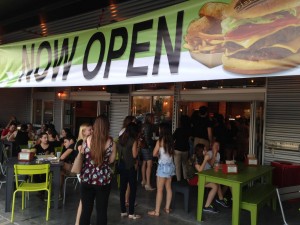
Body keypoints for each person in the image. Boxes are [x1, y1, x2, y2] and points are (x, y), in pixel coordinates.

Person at [79, 115, 116, 225]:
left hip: (87, 178)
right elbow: (111, 160)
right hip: (103, 179)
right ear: (107, 127)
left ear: (95, 126)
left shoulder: (87, 140)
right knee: (102, 211)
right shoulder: (112, 143)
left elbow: (82, 155)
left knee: (86, 211)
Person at [148, 123, 175, 216]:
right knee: (168, 188)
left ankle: (157, 211)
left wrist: (159, 155)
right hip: (170, 167)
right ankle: (167, 208)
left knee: (159, 190)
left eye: (159, 129)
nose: (158, 130)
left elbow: (154, 153)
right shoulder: (171, 141)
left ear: (162, 130)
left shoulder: (160, 141)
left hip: (162, 168)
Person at [186, 144, 219, 213]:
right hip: (192, 179)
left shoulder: (201, 156)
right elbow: (200, 170)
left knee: (215, 186)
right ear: (200, 151)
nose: (206, 151)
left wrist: (211, 156)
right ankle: (208, 206)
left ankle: (207, 206)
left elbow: (211, 165)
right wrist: (205, 160)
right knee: (215, 184)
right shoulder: (194, 157)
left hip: (199, 177)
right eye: (204, 150)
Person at [118, 122, 140, 219]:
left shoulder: (120, 139)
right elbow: (134, 155)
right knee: (133, 189)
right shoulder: (133, 141)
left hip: (121, 166)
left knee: (122, 189)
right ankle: (131, 213)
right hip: (130, 167)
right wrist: (138, 147)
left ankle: (123, 211)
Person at [75, 123, 93, 225]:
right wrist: (86, 139)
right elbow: (82, 151)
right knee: (84, 199)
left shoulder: (89, 141)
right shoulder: (80, 142)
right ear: (83, 132)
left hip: (86, 172)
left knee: (85, 199)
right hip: (82, 172)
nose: (92, 132)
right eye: (89, 130)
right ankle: (78, 222)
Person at [173, 115, 191, 181]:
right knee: (185, 165)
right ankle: (186, 178)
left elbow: (173, 138)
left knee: (177, 166)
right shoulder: (189, 130)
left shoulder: (178, 130)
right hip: (185, 149)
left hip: (177, 149)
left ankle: (178, 180)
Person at [140, 113, 156, 191]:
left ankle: (143, 180)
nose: (154, 119)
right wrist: (153, 142)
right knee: (149, 165)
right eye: (153, 118)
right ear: (150, 118)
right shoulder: (149, 126)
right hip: (148, 146)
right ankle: (148, 184)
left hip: (143, 146)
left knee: (144, 163)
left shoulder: (143, 125)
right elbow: (147, 138)